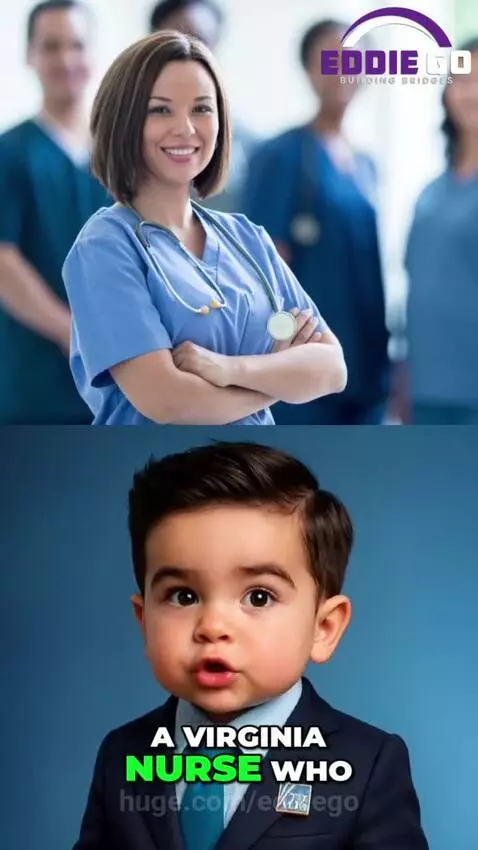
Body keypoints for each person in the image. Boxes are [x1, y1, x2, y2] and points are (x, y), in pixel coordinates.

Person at [73, 441, 429, 849]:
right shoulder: (122, 753)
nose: (213, 626)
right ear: (144, 621)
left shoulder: (367, 762)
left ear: (324, 627)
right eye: (183, 596)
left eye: (259, 596)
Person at [62, 31, 347, 426]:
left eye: (201, 109)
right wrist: (281, 376)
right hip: (163, 473)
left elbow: (332, 369)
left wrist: (229, 370)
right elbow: (170, 403)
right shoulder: (106, 247)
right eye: (160, 110)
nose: (186, 128)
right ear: (123, 120)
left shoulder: (246, 239)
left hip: (255, 470)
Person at [242, 19, 390, 425]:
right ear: (308, 69)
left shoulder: (367, 165)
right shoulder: (281, 156)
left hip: (366, 368)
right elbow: (262, 273)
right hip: (304, 369)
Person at [0, 0, 110, 424]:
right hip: (36, 377)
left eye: (77, 45)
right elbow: (4, 260)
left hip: (120, 368)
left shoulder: (120, 155)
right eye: (51, 46)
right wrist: (72, 333)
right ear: (30, 55)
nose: (66, 59)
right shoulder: (12, 153)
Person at [405, 38, 478, 425]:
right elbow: (417, 289)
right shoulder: (430, 192)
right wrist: (403, 377)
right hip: (425, 389)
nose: (473, 92)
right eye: (464, 79)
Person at [148, 0, 258, 213]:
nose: (187, 52)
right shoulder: (128, 135)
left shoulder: (250, 147)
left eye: (199, 40)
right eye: (174, 42)